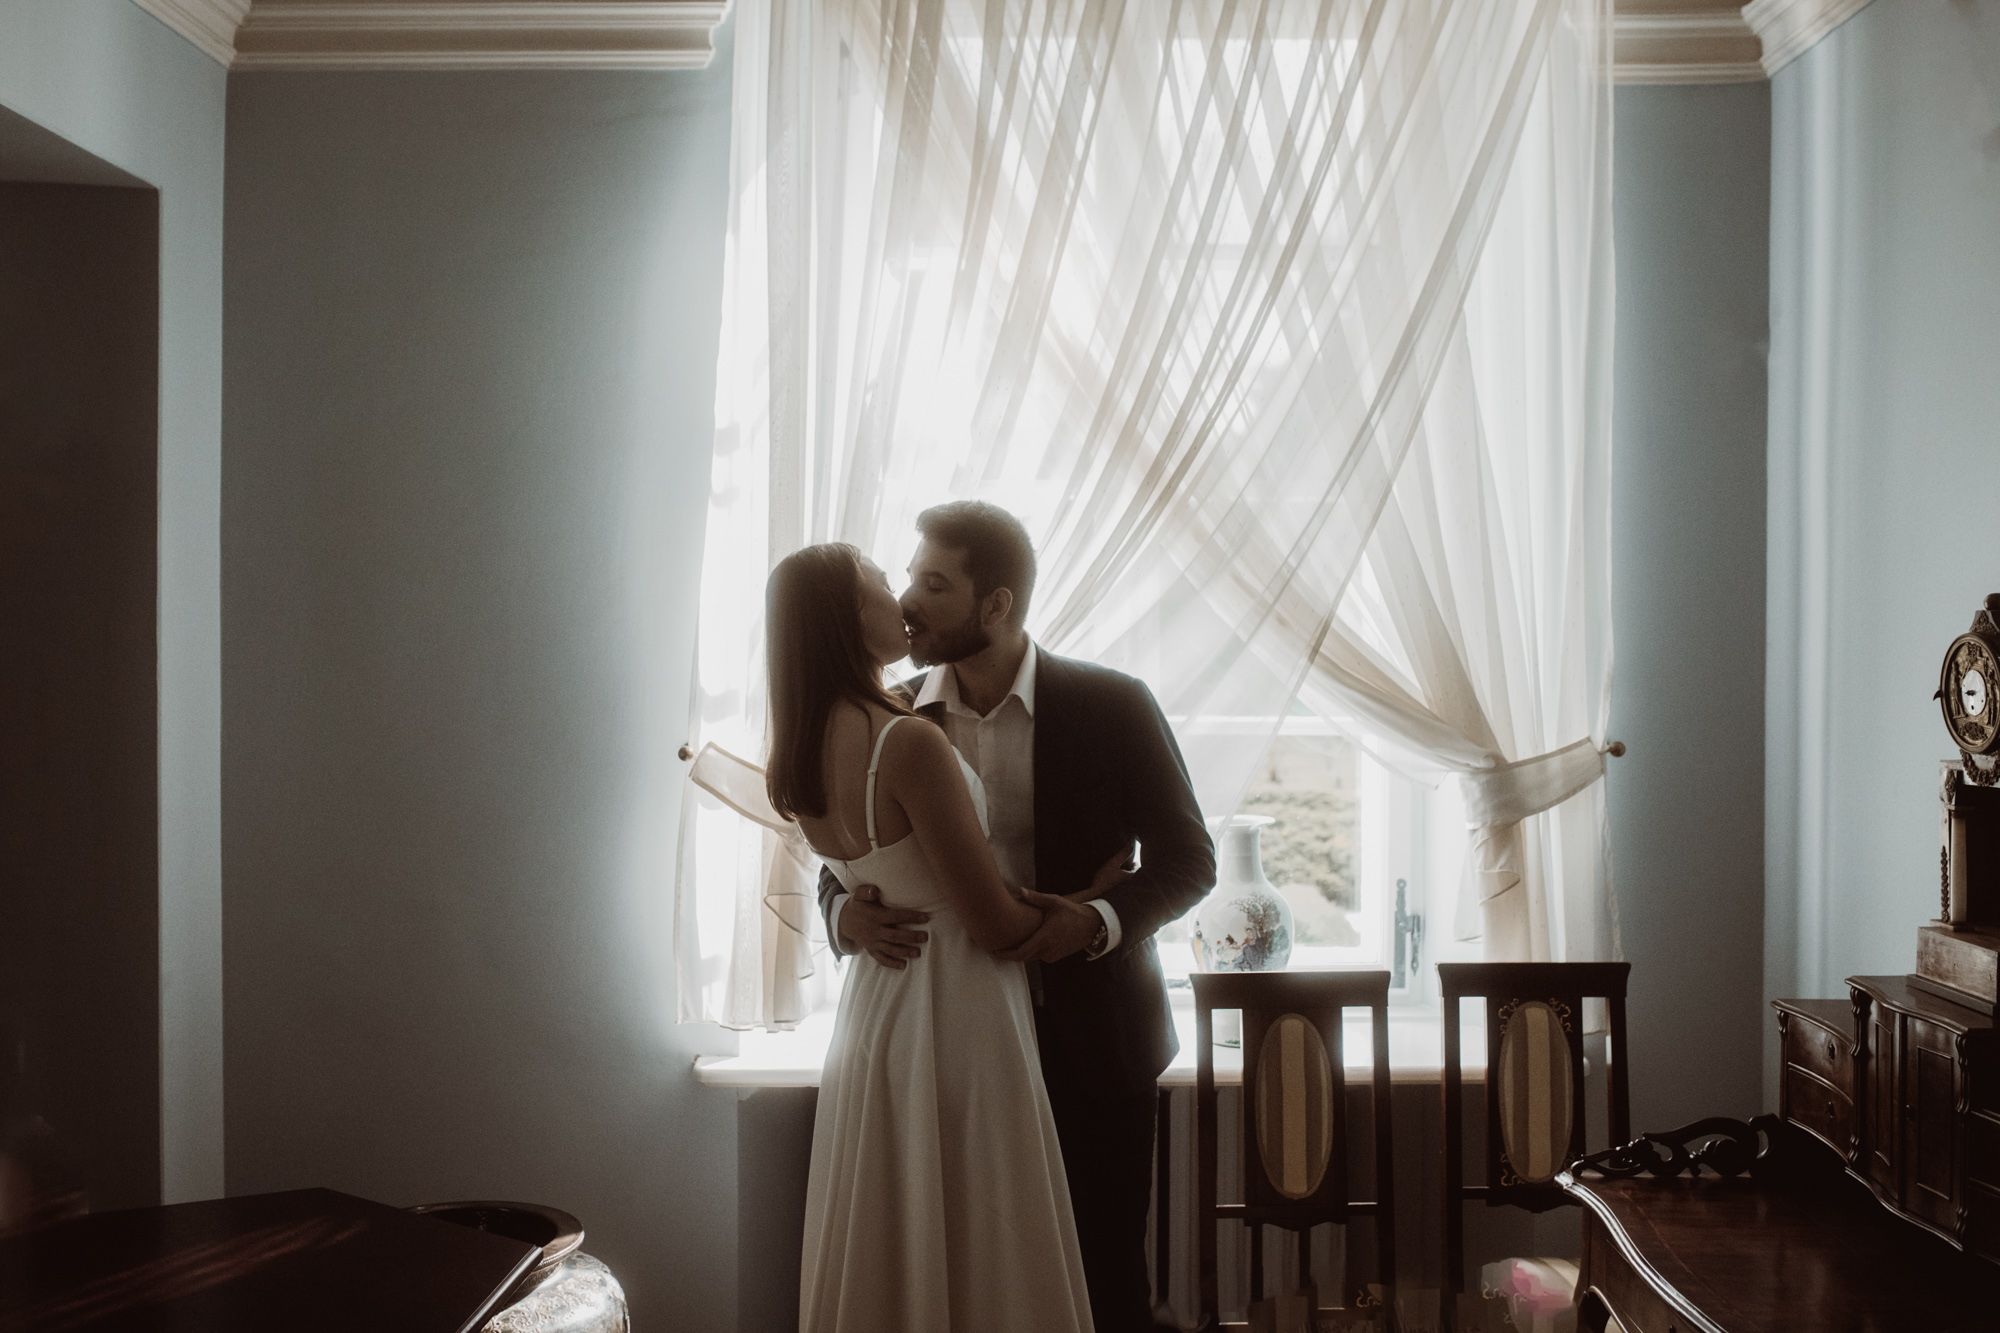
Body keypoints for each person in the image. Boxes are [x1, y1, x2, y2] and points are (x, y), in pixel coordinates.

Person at [821, 501, 1216, 1333]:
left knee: (1107, 1285)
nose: (908, 601)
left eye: (935, 583)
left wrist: (1095, 920)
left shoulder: (1114, 704)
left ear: (995, 604)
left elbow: (1190, 860)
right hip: (948, 1045)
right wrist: (842, 917)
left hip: (1094, 1042)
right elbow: (838, 853)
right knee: (967, 1282)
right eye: (908, 577)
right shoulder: (889, 716)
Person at [767, 542, 1094, 1333]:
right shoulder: (906, 740)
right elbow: (991, 922)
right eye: (886, 584)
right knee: (985, 1229)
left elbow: (865, 875)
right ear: (852, 618)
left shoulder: (799, 749)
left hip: (879, 1006)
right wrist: (1085, 907)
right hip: (959, 1004)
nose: (905, 600)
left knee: (892, 1215)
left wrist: (847, 915)